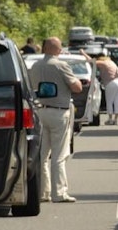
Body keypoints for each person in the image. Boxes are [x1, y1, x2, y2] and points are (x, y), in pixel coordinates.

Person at [28, 37, 83, 203]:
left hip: (40, 111)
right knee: (59, 155)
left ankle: (43, 192)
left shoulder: (35, 66)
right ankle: (59, 193)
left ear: (43, 48)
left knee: (42, 155)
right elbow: (77, 87)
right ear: (58, 50)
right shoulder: (61, 65)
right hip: (59, 112)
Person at [83, 49, 118, 125]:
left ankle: (110, 119)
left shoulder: (103, 62)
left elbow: (90, 61)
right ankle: (116, 120)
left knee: (110, 101)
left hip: (111, 82)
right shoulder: (111, 62)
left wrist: (83, 53)